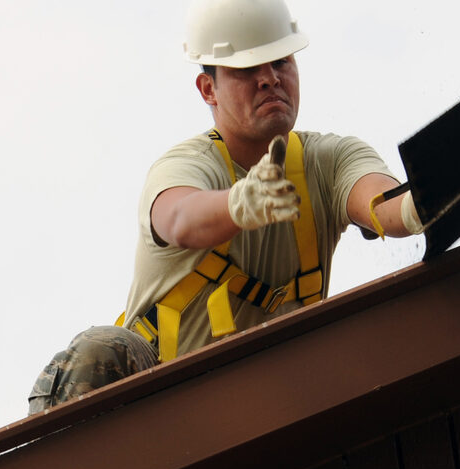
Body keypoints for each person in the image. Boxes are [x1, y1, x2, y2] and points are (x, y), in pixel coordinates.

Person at [28, 0, 423, 414]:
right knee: (101, 350)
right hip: (157, 415)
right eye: (247, 70)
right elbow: (178, 218)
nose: (269, 79)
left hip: (266, 410)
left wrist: (417, 207)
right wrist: (238, 205)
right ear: (208, 89)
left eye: (281, 62)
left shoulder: (329, 160)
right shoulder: (187, 165)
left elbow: (384, 203)